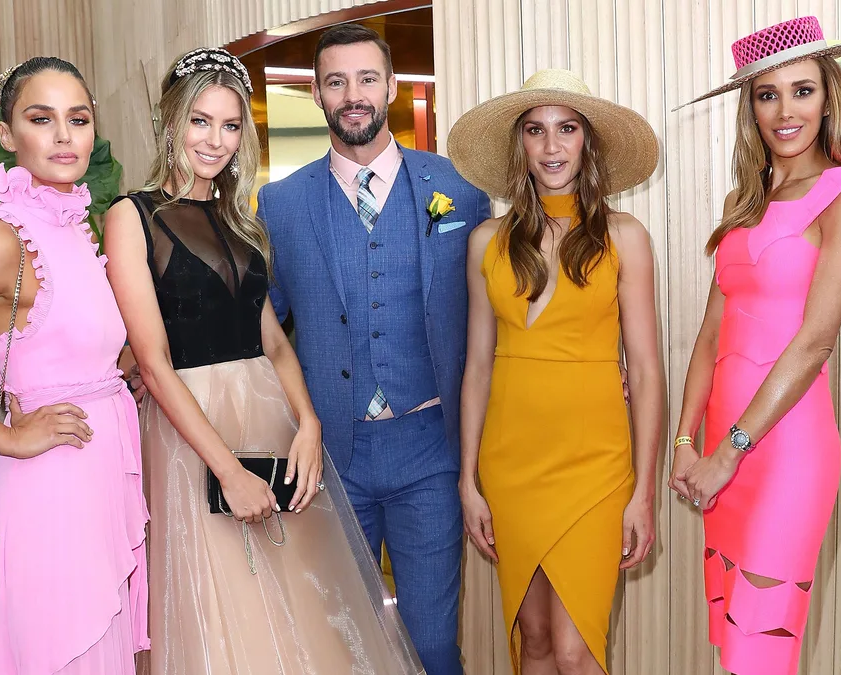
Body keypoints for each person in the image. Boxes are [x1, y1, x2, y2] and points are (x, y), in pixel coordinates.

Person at [104, 47, 423, 674]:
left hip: (271, 424)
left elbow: (274, 341)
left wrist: (309, 424)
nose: (215, 141)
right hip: (193, 437)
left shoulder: (237, 220)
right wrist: (228, 470)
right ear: (170, 121)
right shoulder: (129, 217)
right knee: (227, 620)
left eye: (230, 126)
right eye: (200, 121)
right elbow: (154, 362)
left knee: (307, 614)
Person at [257, 23, 491, 675]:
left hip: (429, 450)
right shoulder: (278, 203)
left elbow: (497, 308)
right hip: (331, 458)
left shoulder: (460, 190)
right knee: (345, 643)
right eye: (336, 81)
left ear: (390, 85)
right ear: (317, 94)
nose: (352, 94)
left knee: (432, 641)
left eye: (365, 78)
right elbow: (262, 325)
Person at [447, 70, 662, 675]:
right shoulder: (486, 241)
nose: (551, 146)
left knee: (577, 648)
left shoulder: (626, 238)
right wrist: (468, 481)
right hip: (510, 463)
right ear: (520, 145)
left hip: (595, 466)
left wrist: (643, 491)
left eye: (567, 129)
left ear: (587, 143)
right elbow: (477, 369)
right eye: (536, 131)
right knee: (534, 640)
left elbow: (645, 371)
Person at [670, 16, 841, 675]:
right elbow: (707, 336)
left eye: (802, 91)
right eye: (766, 93)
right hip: (721, 454)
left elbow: (814, 343)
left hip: (783, 457)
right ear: (749, 107)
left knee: (761, 654)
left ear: (828, 96)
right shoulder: (743, 199)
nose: (785, 110)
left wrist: (727, 452)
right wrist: (683, 441)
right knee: (732, 650)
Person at [0, 57, 149, 673]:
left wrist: (121, 371)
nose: (64, 135)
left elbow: (75, 347)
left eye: (79, 118)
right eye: (41, 119)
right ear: (8, 136)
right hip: (48, 489)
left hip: (103, 478)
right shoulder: (2, 240)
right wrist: (12, 438)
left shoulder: (78, 229)